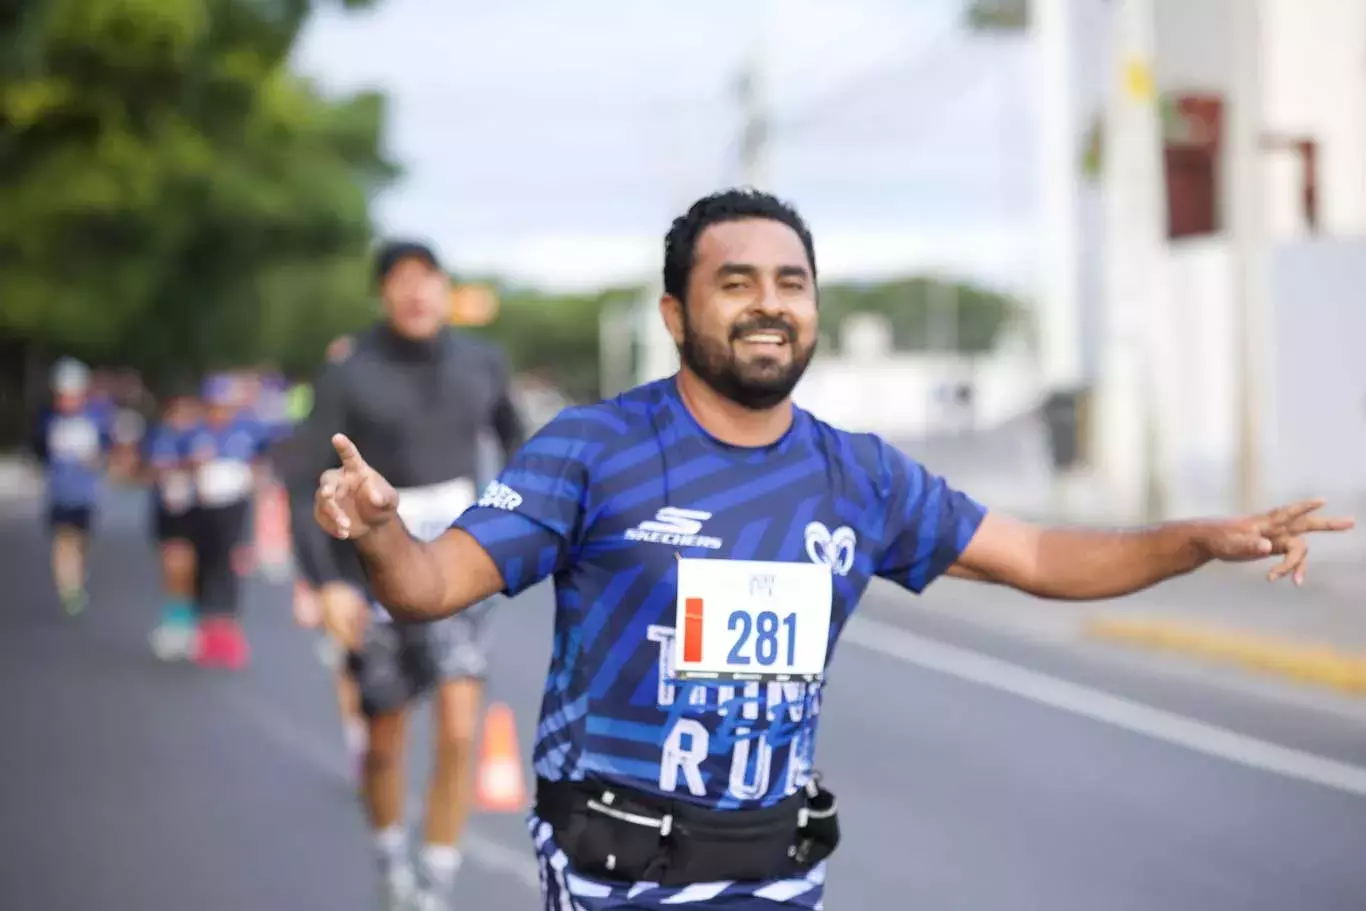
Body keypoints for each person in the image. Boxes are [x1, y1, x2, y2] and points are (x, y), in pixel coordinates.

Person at [312, 188, 1355, 911]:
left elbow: (1038, 556)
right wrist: (382, 528)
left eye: (792, 281)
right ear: (676, 313)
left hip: (775, 871)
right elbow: (434, 584)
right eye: (737, 282)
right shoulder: (593, 448)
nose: (770, 301)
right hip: (612, 871)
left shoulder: (860, 476)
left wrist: (1195, 540)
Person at [295, 240, 525, 909]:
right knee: (386, 741)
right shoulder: (349, 372)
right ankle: (392, 859)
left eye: (427, 279)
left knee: (459, 729)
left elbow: (522, 446)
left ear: (445, 289)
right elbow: (307, 477)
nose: (416, 293)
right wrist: (327, 580)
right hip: (375, 571)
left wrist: (518, 526)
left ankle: (437, 877)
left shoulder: (482, 361)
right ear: (383, 294)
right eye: (400, 282)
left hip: (457, 564)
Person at [187, 372, 271, 669]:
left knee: (230, 568)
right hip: (202, 509)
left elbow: (260, 462)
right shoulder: (196, 432)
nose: (219, 411)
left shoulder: (245, 431)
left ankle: (229, 636)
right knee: (204, 567)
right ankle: (204, 634)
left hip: (234, 508)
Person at [31, 358, 112, 615]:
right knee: (64, 540)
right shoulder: (47, 419)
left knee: (82, 540)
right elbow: (39, 450)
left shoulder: (96, 417)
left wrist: (98, 461)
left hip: (85, 494)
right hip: (59, 492)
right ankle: (69, 589)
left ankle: (76, 572)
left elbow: (107, 449)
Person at [146, 386, 203, 660]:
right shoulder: (162, 436)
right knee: (174, 564)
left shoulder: (201, 434)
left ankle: (185, 622)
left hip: (198, 512)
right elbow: (153, 468)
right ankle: (177, 622)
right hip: (169, 511)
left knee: (187, 566)